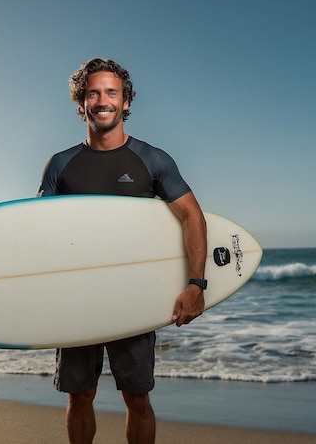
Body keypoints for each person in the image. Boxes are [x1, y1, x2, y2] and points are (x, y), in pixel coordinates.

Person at [37, 57, 207, 444]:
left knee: (138, 398)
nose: (103, 100)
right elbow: (39, 232)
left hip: (134, 296)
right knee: (79, 396)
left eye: (112, 92)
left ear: (126, 101)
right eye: (93, 93)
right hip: (77, 298)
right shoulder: (61, 165)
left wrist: (196, 285)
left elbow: (192, 218)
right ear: (80, 103)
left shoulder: (152, 160)